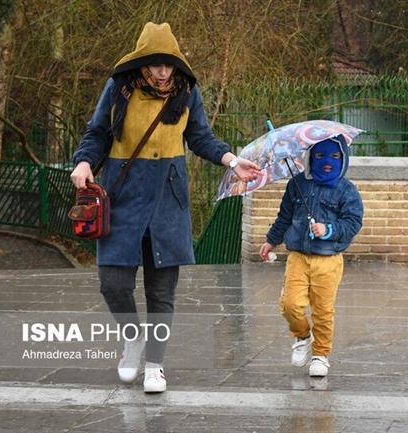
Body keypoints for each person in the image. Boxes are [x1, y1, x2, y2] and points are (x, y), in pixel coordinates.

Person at [70, 22, 260, 393]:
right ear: (142, 62)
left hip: (167, 199)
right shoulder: (119, 88)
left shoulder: (187, 93)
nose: (162, 71)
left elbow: (200, 136)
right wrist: (83, 162)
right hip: (122, 196)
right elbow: (97, 134)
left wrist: (231, 159)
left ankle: (155, 365)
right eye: (155, 64)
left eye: (168, 64)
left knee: (161, 291)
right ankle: (133, 339)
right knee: (113, 284)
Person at [259, 135, 363, 377]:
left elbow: (352, 222)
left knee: (323, 310)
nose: (328, 162)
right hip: (298, 256)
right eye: (321, 156)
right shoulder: (297, 185)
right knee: (289, 304)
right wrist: (272, 240)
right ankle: (302, 335)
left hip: (328, 260)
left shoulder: (346, 190)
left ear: (343, 159)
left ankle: (320, 354)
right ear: (310, 158)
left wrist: (328, 230)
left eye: (335, 157)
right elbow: (284, 216)